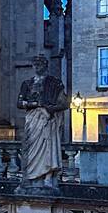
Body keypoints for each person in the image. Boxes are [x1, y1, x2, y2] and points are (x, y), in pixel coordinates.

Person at [18, 54, 69, 184]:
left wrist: (50, 109)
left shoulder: (55, 83)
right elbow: (19, 103)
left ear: (45, 65)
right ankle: (31, 175)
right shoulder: (27, 83)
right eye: (35, 64)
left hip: (48, 120)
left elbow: (64, 104)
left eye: (40, 64)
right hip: (33, 120)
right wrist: (37, 104)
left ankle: (47, 175)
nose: (37, 67)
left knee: (48, 147)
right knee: (30, 147)